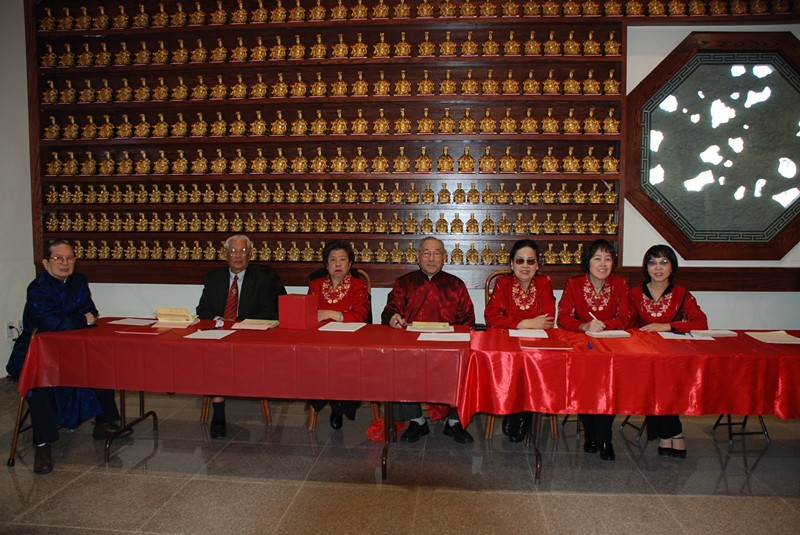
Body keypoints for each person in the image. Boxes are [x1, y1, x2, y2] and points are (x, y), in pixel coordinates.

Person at [7, 239, 130, 475]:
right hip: (37, 351)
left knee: (102, 364)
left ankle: (104, 422)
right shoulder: (38, 288)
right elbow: (50, 323)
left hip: (72, 348)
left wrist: (81, 319)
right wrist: (81, 320)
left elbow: (91, 311)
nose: (65, 263)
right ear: (45, 263)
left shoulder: (78, 281)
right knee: (38, 383)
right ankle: (43, 444)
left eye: (70, 258)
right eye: (58, 258)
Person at [382, 237, 476, 444]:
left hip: (448, 349)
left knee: (467, 361)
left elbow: (468, 319)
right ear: (418, 256)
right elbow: (391, 309)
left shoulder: (456, 285)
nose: (431, 258)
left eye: (436, 253)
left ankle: (454, 421)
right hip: (413, 348)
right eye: (426, 253)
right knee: (396, 361)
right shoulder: (404, 283)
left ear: (444, 257)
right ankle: (416, 420)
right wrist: (392, 317)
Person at [196, 234, 286, 438]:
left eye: (243, 251)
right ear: (226, 255)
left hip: (251, 338)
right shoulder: (214, 278)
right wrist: (220, 320)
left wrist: (237, 322)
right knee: (215, 356)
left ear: (251, 254)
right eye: (234, 251)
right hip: (220, 337)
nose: (238, 256)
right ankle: (219, 414)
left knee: (219, 357)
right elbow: (203, 311)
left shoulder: (264, 278)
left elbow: (271, 312)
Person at [629, 244, 708, 459]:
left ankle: (667, 434)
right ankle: (674, 433)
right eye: (652, 263)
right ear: (646, 267)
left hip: (673, 356)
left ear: (672, 267)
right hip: (644, 355)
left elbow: (701, 323)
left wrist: (668, 326)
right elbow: (627, 324)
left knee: (665, 380)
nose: (658, 268)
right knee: (655, 379)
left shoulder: (682, 294)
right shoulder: (634, 293)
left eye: (664, 262)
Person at [557, 238, 631, 461]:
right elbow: (563, 318)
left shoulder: (619, 284)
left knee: (609, 386)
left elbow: (625, 318)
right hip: (583, 345)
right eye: (597, 258)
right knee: (586, 385)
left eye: (608, 259)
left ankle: (605, 438)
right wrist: (584, 326)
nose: (603, 264)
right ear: (587, 262)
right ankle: (590, 433)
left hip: (611, 345)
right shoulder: (574, 284)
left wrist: (603, 325)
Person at [484, 239, 555, 443]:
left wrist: (512, 322)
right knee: (513, 364)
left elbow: (548, 320)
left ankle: (523, 413)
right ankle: (517, 411)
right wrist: (526, 323)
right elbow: (491, 317)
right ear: (511, 264)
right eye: (520, 261)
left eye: (530, 261)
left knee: (535, 365)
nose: (525, 266)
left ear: (537, 265)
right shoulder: (503, 283)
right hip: (508, 345)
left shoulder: (544, 282)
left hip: (537, 345)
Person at [308, 241, 370, 429]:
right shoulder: (316, 284)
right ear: (326, 265)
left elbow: (360, 315)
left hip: (349, 340)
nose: (337, 264)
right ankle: (334, 401)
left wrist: (333, 314)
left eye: (342, 259)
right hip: (321, 340)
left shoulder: (359, 285)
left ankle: (339, 404)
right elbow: (308, 314)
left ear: (349, 264)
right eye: (332, 260)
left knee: (342, 359)